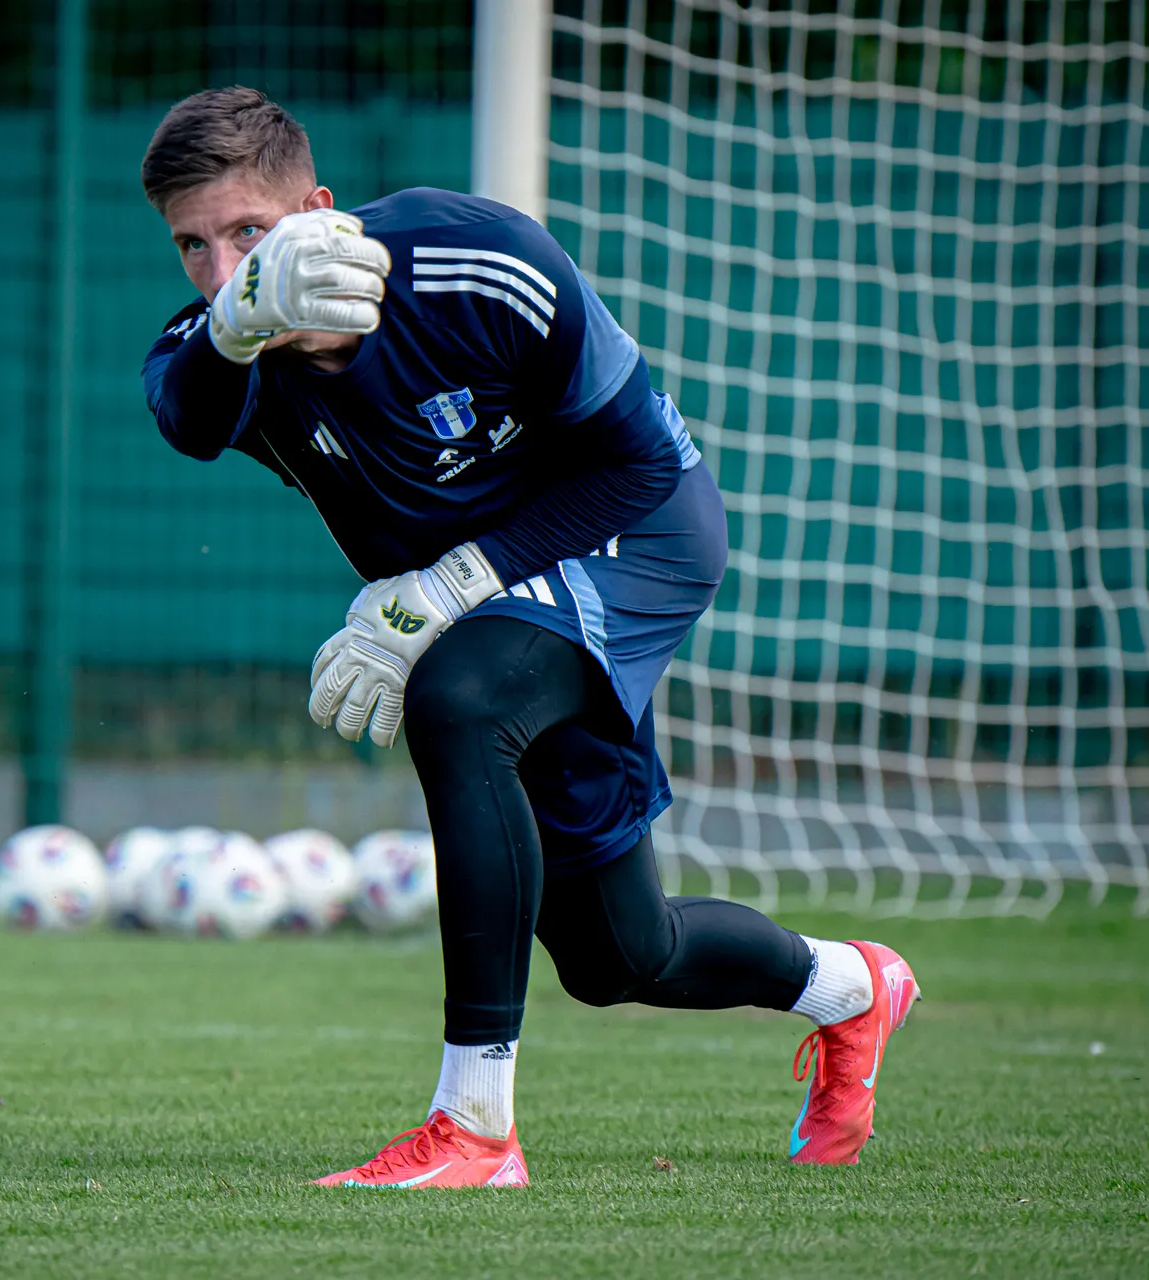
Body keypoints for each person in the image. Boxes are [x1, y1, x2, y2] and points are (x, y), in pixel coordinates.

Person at [140, 87, 920, 1185]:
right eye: (194, 246)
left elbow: (641, 465)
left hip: (638, 534)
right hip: (501, 597)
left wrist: (445, 586)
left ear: (319, 213)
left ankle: (473, 1128)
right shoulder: (226, 343)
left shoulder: (480, 263)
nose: (227, 271)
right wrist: (234, 324)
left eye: (251, 235)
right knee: (618, 955)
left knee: (457, 700)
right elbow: (184, 414)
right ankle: (852, 986)